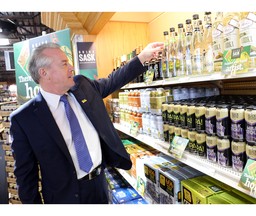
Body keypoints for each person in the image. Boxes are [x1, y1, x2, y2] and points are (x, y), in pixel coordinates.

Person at [9, 41, 164, 204]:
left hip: (100, 186)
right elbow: (26, 178)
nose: (71, 68)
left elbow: (113, 81)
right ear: (44, 72)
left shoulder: (82, 86)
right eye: (64, 64)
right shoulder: (24, 119)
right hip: (64, 199)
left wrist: (142, 58)